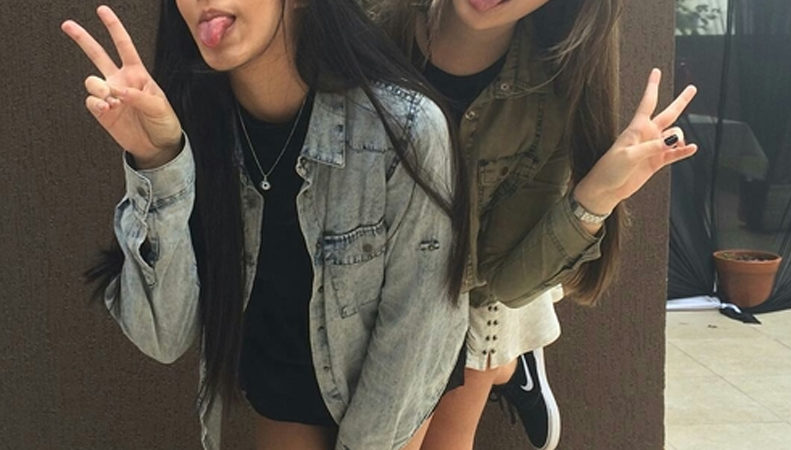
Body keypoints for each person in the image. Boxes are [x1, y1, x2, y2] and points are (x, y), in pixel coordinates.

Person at [61, 2, 471, 449]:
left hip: (393, 388)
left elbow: (413, 337)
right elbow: (164, 337)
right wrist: (158, 164)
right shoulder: (186, 123)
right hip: (286, 385)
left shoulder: (404, 129)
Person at [369, 1, 698, 449]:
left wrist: (597, 196)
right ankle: (509, 363)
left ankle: (506, 360)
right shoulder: (362, 29)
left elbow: (500, 283)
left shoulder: (547, 98)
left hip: (467, 293)